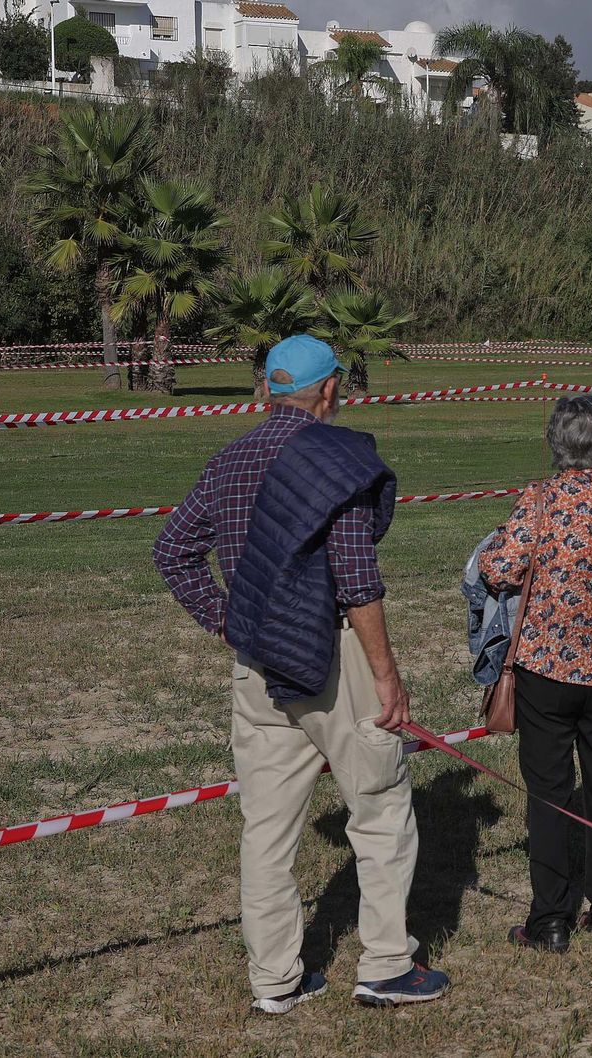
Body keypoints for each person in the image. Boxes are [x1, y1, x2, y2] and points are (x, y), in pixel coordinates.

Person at [153, 335, 447, 1014]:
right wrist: (387, 677)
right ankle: (385, 967)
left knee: (266, 829)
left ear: (267, 390)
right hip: (333, 657)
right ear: (330, 390)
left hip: (257, 661)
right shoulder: (332, 461)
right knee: (380, 811)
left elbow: (172, 550)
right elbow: (356, 576)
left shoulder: (228, 460)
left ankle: (276, 980)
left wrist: (228, 623)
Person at [479, 395, 592, 954]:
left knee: (550, 792)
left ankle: (551, 919)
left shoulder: (540, 501)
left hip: (547, 669)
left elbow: (498, 568)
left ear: (556, 445)